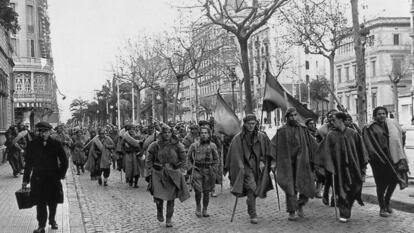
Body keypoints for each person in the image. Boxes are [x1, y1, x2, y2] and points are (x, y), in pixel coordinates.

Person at [316, 112, 368, 223]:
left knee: (354, 188)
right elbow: (325, 151)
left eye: (334, 119)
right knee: (341, 190)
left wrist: (363, 167)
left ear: (341, 120)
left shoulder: (353, 133)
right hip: (338, 169)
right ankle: (344, 212)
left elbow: (361, 150)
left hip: (353, 168)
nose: (331, 121)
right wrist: (329, 165)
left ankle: (347, 206)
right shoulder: (331, 135)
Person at [225, 114, 273, 224]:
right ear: (245, 124)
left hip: (258, 167)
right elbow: (234, 154)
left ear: (256, 123)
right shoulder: (238, 138)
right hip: (245, 167)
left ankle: (250, 203)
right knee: (252, 187)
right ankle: (253, 213)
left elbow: (268, 150)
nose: (251, 126)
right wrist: (240, 165)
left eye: (253, 123)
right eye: (248, 124)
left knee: (256, 190)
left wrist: (263, 160)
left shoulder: (262, 137)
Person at [270, 108, 317, 221]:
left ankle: (300, 204)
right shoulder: (281, 131)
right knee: (290, 188)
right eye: (291, 116)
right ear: (287, 117)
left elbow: (312, 144)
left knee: (307, 186)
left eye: (295, 115)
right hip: (288, 164)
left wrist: (318, 156)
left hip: (303, 163)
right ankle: (292, 211)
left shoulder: (303, 129)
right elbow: (273, 145)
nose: (293, 117)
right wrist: (273, 161)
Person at [362, 106, 409, 217]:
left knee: (393, 180)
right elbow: (369, 145)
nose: (382, 115)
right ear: (375, 116)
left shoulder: (391, 125)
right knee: (381, 184)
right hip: (379, 160)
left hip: (392, 158)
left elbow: (400, 139)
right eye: (379, 114)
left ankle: (387, 201)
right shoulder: (369, 128)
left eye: (383, 113)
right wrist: (377, 158)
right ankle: (382, 207)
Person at [22, 122, 68, 233]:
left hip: (53, 178)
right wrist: (25, 180)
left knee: (53, 201)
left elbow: (64, 161)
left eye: (45, 131)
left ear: (49, 132)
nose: (43, 133)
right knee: (40, 202)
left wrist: (60, 175)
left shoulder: (56, 144)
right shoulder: (32, 144)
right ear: (38, 132)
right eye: (40, 131)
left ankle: (52, 220)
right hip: (38, 179)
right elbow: (28, 163)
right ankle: (41, 226)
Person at [146, 124, 190, 227]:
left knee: (171, 198)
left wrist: (182, 170)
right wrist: (149, 171)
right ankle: (159, 211)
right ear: (161, 134)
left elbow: (184, 158)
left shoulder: (177, 145)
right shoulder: (155, 145)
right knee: (158, 197)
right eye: (165, 132)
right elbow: (149, 159)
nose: (167, 134)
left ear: (172, 133)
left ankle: (169, 218)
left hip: (173, 174)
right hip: (158, 173)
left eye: (169, 132)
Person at [187, 126, 219, 217]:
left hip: (208, 171)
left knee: (206, 191)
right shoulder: (194, 145)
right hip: (197, 169)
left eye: (206, 133)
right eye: (202, 133)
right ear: (199, 134)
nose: (204, 135)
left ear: (209, 135)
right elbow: (188, 158)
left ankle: (205, 209)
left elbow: (216, 159)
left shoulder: (212, 146)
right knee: (198, 190)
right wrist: (190, 167)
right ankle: (198, 207)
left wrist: (214, 168)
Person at [198, 120, 222, 197]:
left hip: (211, 159)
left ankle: (213, 190)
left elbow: (219, 146)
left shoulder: (214, 137)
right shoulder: (199, 136)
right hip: (201, 159)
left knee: (212, 175)